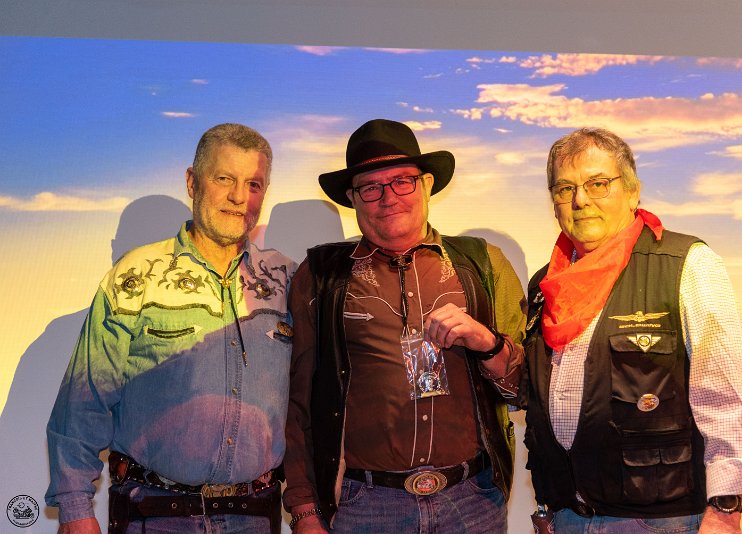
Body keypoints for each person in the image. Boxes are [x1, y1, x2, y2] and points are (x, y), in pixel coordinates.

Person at [46, 123, 297, 534]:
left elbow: (310, 401)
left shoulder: (286, 279)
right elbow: (84, 400)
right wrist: (75, 508)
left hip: (255, 515)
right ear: (192, 182)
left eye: (253, 184)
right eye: (225, 179)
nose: (239, 197)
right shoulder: (135, 277)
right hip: (153, 514)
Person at [521, 127, 742, 533]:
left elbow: (725, 396)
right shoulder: (545, 285)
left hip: (661, 520)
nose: (580, 200)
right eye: (565, 189)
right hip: (569, 518)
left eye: (597, 184)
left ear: (633, 191)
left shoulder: (687, 264)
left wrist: (725, 508)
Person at [283, 119, 526, 533]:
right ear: (352, 198)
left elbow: (525, 389)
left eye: (402, 181)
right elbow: (298, 399)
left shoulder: (483, 264)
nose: (388, 197)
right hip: (366, 507)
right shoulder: (321, 275)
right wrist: (304, 508)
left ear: (427, 184)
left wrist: (487, 342)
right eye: (370, 187)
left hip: (472, 502)